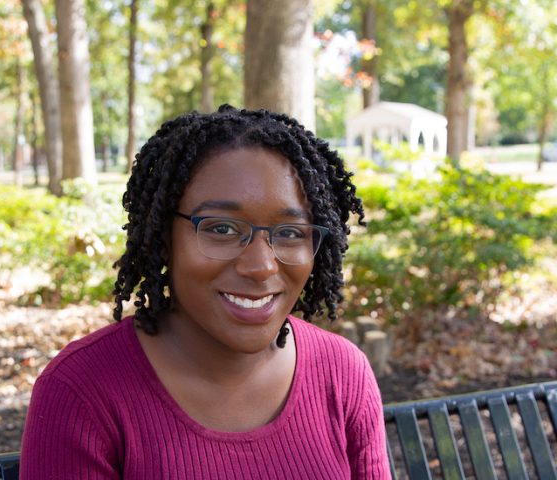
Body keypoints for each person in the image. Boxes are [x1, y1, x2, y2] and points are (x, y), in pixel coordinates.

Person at [20, 105, 390, 479]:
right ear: (165, 235)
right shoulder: (81, 392)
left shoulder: (343, 374)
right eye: (222, 229)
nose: (260, 265)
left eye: (290, 232)